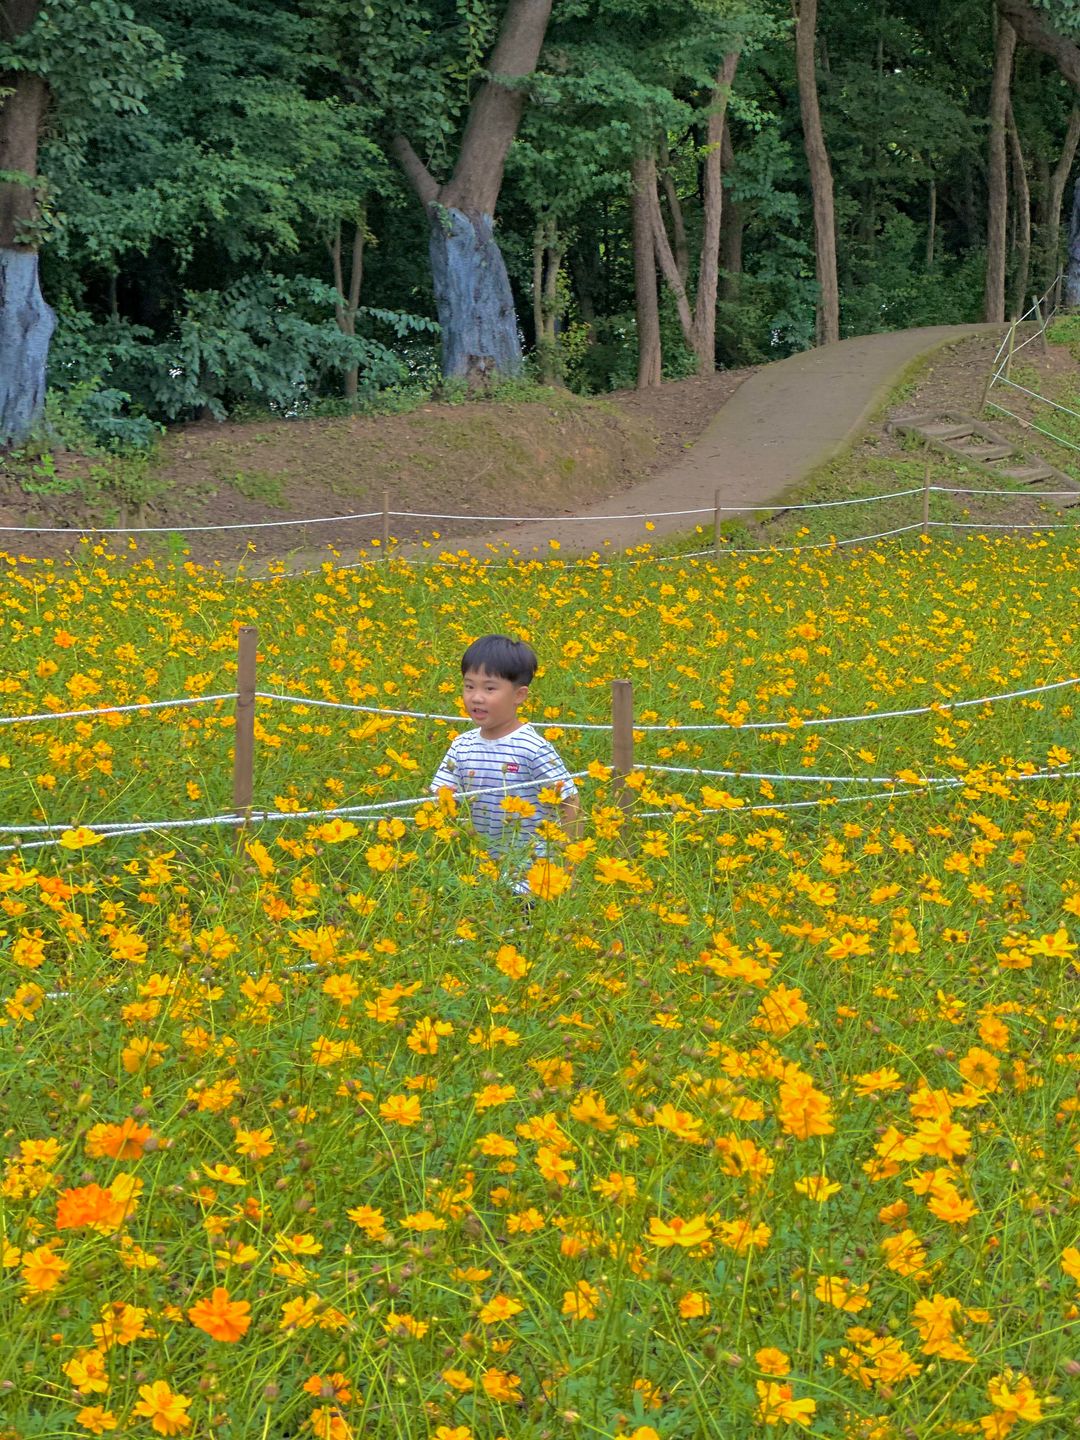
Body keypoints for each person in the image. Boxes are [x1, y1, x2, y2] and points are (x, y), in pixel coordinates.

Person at [430, 634, 581, 893]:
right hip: (482, 874)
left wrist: (570, 867)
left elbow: (569, 800)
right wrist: (449, 822)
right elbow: (441, 797)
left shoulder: (532, 748)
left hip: (535, 877)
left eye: (489, 689)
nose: (476, 698)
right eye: (469, 686)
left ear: (519, 695)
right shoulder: (461, 745)